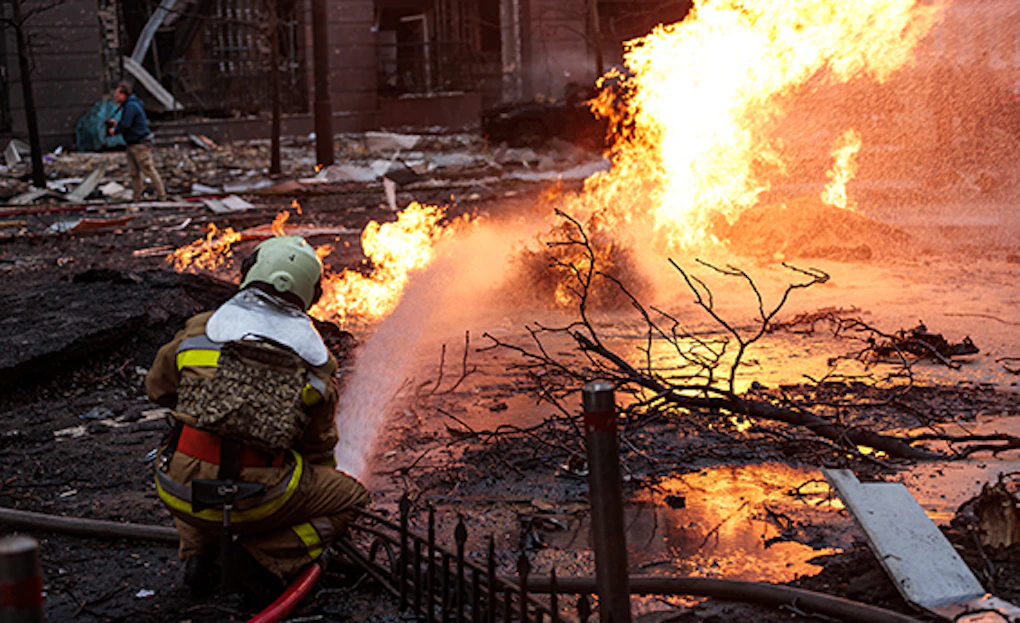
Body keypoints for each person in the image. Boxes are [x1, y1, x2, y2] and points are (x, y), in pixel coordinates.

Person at [146, 235, 368, 599]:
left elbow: (159, 390)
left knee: (186, 446)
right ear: (310, 295)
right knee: (351, 499)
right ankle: (263, 556)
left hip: (178, 491)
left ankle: (198, 553)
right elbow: (317, 448)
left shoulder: (200, 329)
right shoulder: (317, 363)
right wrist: (310, 492)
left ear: (249, 273)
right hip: (260, 499)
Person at [108, 82, 167, 201]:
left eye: (117, 95)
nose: (116, 98)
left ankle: (161, 194)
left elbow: (126, 124)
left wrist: (115, 130)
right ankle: (137, 196)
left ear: (124, 94)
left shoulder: (130, 106)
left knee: (148, 169)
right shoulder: (130, 105)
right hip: (133, 143)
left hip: (139, 143)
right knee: (134, 172)